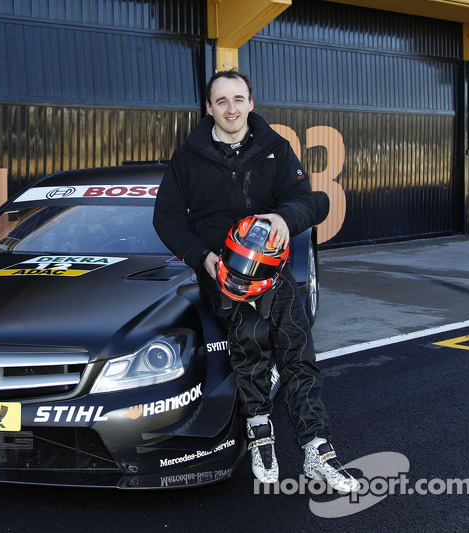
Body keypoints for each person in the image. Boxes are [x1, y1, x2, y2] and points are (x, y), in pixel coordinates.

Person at [153, 70, 359, 492]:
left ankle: (317, 450)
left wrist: (286, 217)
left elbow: (307, 200)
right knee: (250, 353)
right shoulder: (188, 156)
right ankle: (261, 436)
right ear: (208, 107)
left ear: (251, 103)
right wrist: (202, 257)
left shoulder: (274, 148)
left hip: (275, 273)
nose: (231, 108)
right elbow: (167, 218)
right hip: (222, 275)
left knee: (299, 356)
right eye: (222, 101)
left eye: (239, 99)